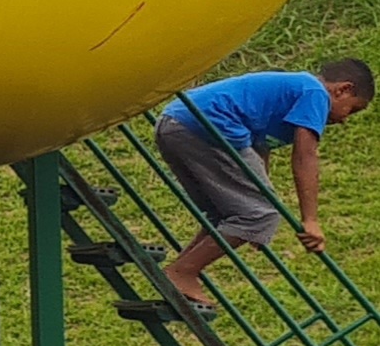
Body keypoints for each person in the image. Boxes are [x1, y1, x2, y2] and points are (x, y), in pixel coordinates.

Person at [154, 58, 373, 303]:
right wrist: (309, 220)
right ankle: (183, 271)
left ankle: (180, 271)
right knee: (260, 215)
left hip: (176, 123)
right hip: (207, 125)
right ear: (343, 89)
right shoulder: (315, 93)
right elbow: (305, 156)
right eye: (352, 109)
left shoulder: (293, 91)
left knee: (230, 213)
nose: (344, 120)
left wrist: (252, 228)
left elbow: (258, 154)